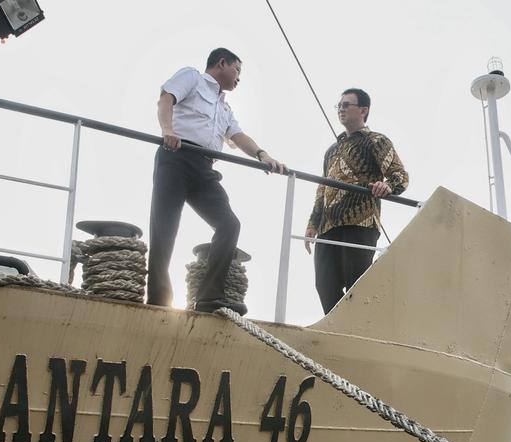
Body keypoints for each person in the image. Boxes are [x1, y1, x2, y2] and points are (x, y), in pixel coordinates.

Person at [148, 48, 285, 316]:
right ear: (222, 63)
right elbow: (166, 100)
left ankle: (210, 297)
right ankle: (157, 303)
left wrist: (262, 155)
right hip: (175, 157)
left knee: (229, 224)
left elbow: (239, 136)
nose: (238, 78)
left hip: (204, 167)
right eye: (237, 70)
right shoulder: (192, 78)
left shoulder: (225, 108)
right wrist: (168, 130)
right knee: (164, 230)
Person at [304, 88, 408, 314]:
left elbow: (400, 175)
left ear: (363, 110)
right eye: (339, 105)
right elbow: (323, 187)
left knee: (356, 287)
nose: (340, 109)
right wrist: (313, 223)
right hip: (328, 226)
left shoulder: (376, 141)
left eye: (346, 105)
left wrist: (388, 186)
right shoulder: (332, 150)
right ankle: (338, 330)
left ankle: (355, 331)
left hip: (360, 222)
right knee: (324, 285)